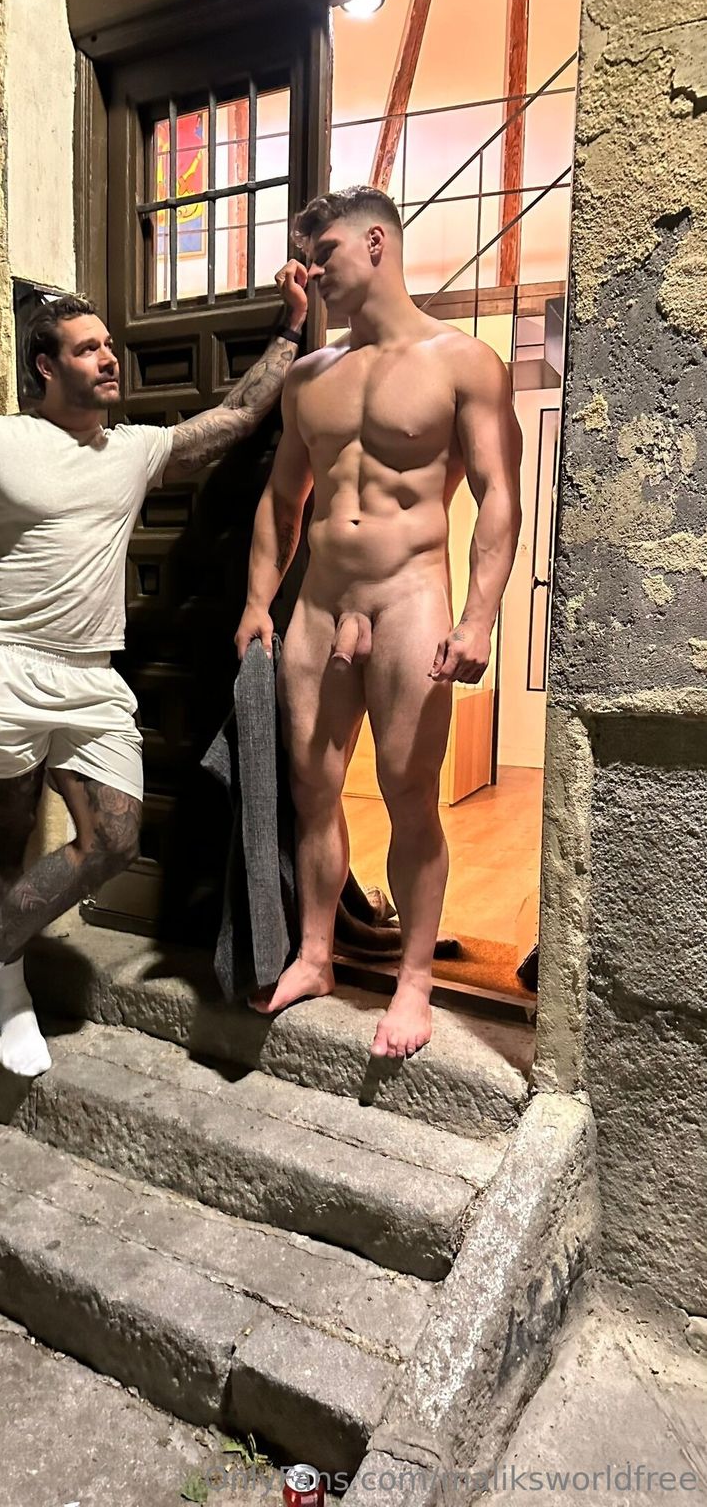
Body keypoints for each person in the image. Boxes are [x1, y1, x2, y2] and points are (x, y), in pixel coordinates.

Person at [0, 265, 307, 1074]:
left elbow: (237, 416)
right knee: (7, 831)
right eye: (87, 348)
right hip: (8, 665)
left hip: (93, 678)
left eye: (108, 345)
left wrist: (292, 326)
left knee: (117, 837)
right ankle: (9, 993)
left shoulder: (133, 450)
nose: (108, 358)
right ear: (45, 365)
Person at [234, 187, 522, 1060]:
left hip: (409, 600)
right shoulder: (310, 378)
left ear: (374, 243)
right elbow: (281, 501)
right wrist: (257, 601)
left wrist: (478, 619)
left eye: (323, 252)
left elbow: (498, 497)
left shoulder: (464, 362)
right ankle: (316, 956)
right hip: (321, 604)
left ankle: (414, 981)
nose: (311, 269)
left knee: (408, 792)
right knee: (314, 792)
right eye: (306, 256)